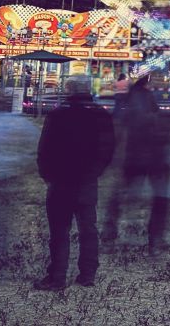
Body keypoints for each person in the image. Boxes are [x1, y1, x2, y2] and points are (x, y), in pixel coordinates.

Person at [35, 76, 115, 290]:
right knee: (88, 228)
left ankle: (57, 276)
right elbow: (107, 149)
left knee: (59, 230)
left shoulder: (58, 114)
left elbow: (45, 148)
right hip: (87, 180)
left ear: (68, 90)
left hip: (61, 180)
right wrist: (95, 172)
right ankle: (88, 273)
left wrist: (47, 174)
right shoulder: (101, 115)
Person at [104, 76, 170, 253]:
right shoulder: (147, 99)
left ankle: (109, 235)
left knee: (121, 195)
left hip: (133, 156)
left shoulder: (130, 99)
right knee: (160, 198)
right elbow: (156, 124)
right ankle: (155, 239)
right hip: (152, 157)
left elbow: (120, 129)